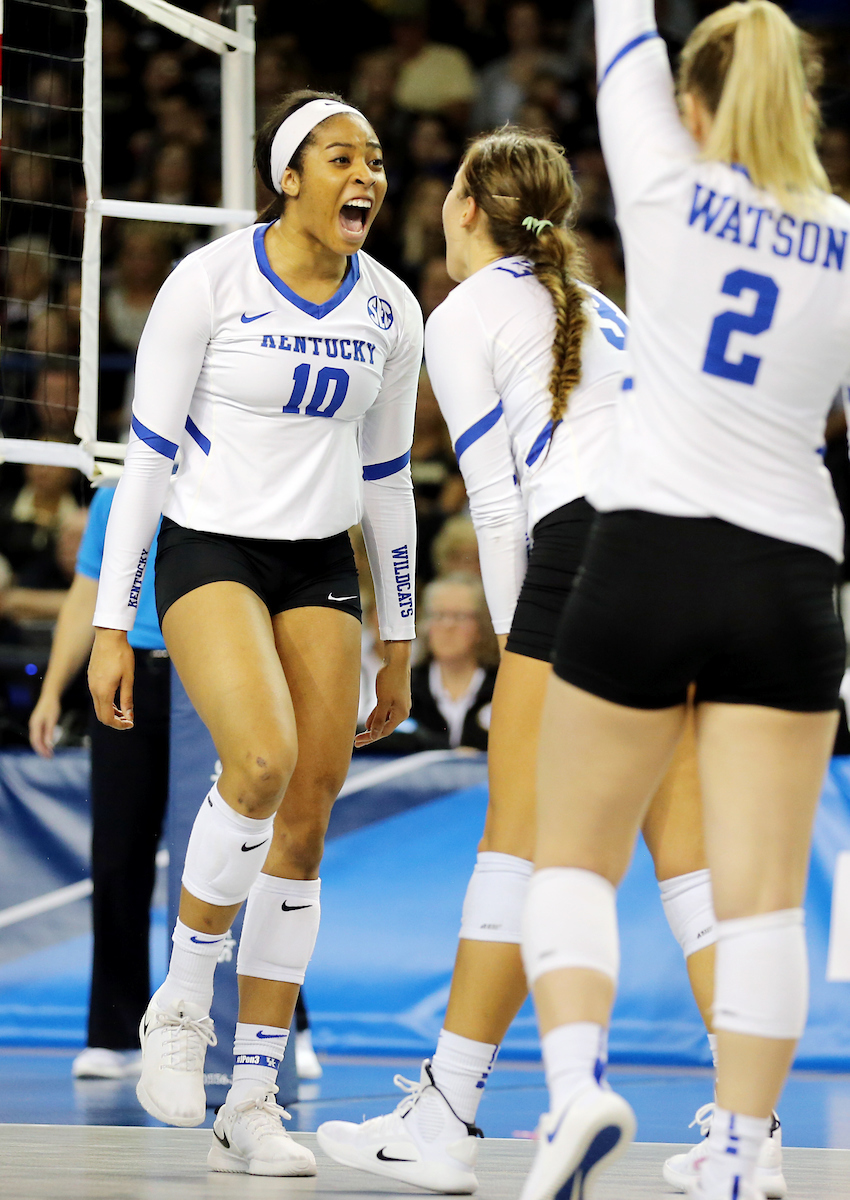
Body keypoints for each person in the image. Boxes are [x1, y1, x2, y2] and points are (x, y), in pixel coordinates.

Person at [315, 126, 728, 1193]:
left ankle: (448, 1112)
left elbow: (499, 511)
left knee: (515, 836)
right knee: (682, 845)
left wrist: (513, 656)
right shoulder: (602, 311)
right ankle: (746, 1125)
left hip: (587, 551)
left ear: (465, 210)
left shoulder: (462, 314)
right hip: (690, 549)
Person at [517, 4, 850, 1200]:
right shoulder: (845, 241)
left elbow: (619, 29)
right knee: (763, 901)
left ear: (695, 105)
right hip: (789, 575)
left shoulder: (660, 182)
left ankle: (575, 1092)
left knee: (571, 859)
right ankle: (741, 1153)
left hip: (646, 551)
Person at [87, 89, 422, 1176]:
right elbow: (142, 461)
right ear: (290, 177)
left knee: (311, 812)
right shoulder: (211, 281)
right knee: (264, 760)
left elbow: (386, 480)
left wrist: (400, 636)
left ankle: (255, 1095)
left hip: (319, 563)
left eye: (373, 158)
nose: (363, 174)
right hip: (208, 548)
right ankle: (181, 1004)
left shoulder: (391, 307)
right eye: (339, 157)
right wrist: (106, 622)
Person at [29, 484, 169, 1081]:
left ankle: (281, 1028)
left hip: (213, 677)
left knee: (239, 851)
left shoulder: (231, 480)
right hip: (126, 674)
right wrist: (52, 691)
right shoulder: (115, 498)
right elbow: (86, 592)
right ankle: (116, 1032)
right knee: (116, 856)